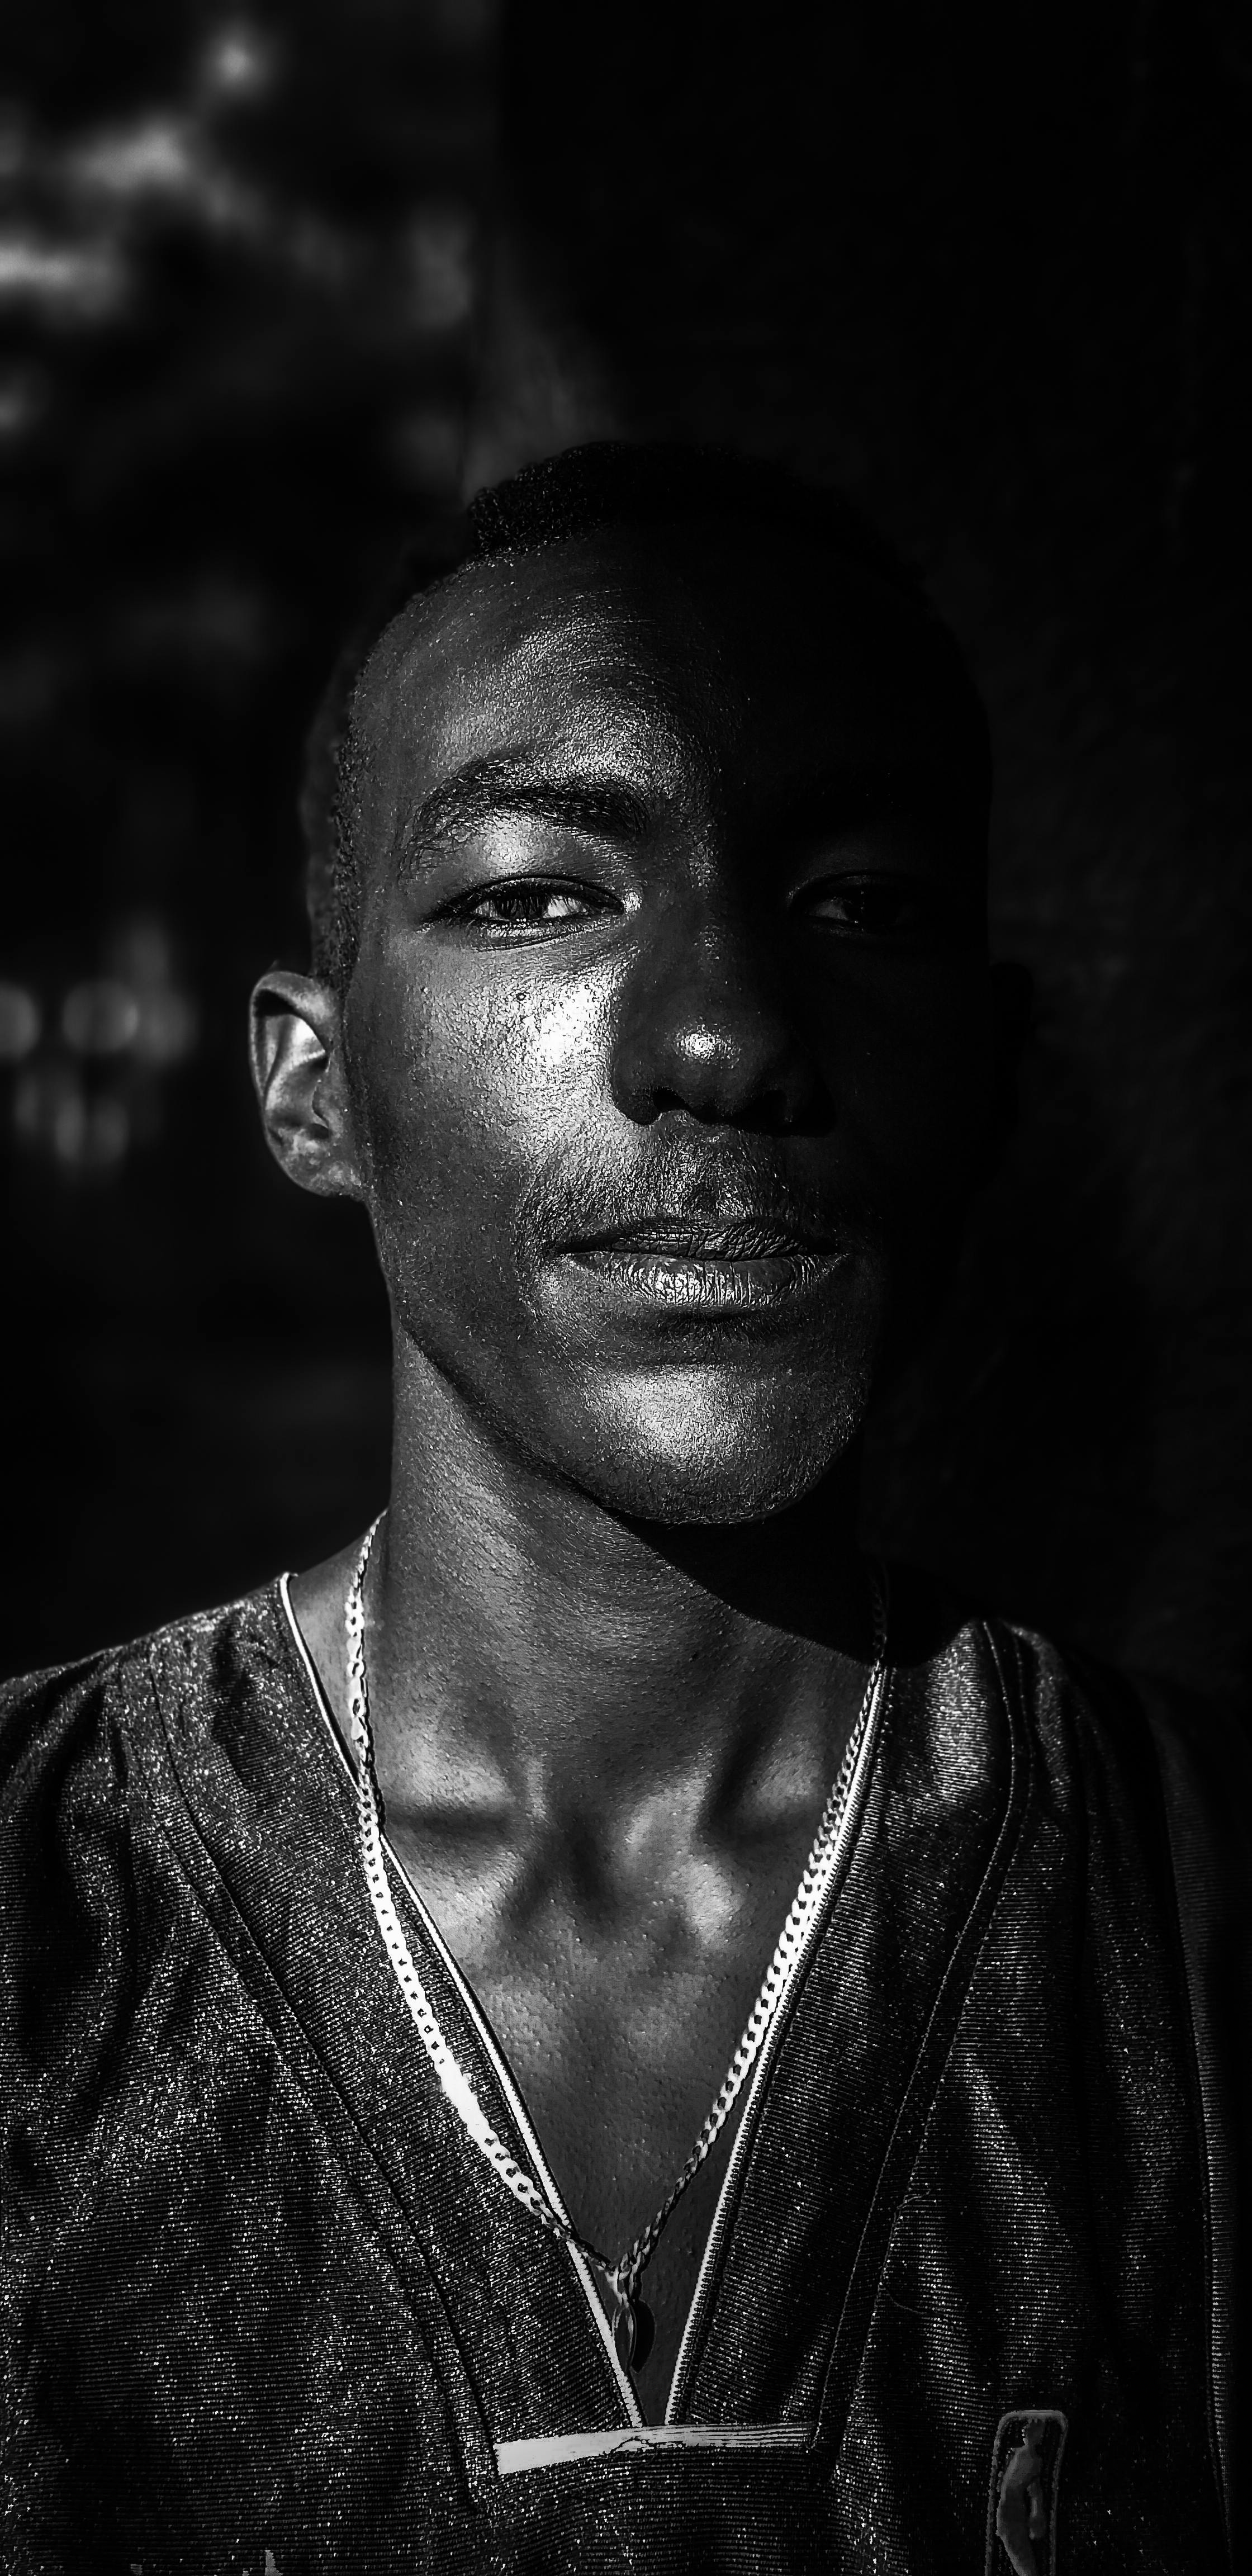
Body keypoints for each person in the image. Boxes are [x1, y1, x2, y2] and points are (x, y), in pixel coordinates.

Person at [1, 442, 1247, 2576]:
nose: (722, 1032)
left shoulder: (1185, 1923)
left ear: (994, 1065)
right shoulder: (46, 1907)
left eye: (855, 906)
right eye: (535, 895)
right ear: (316, 1085)